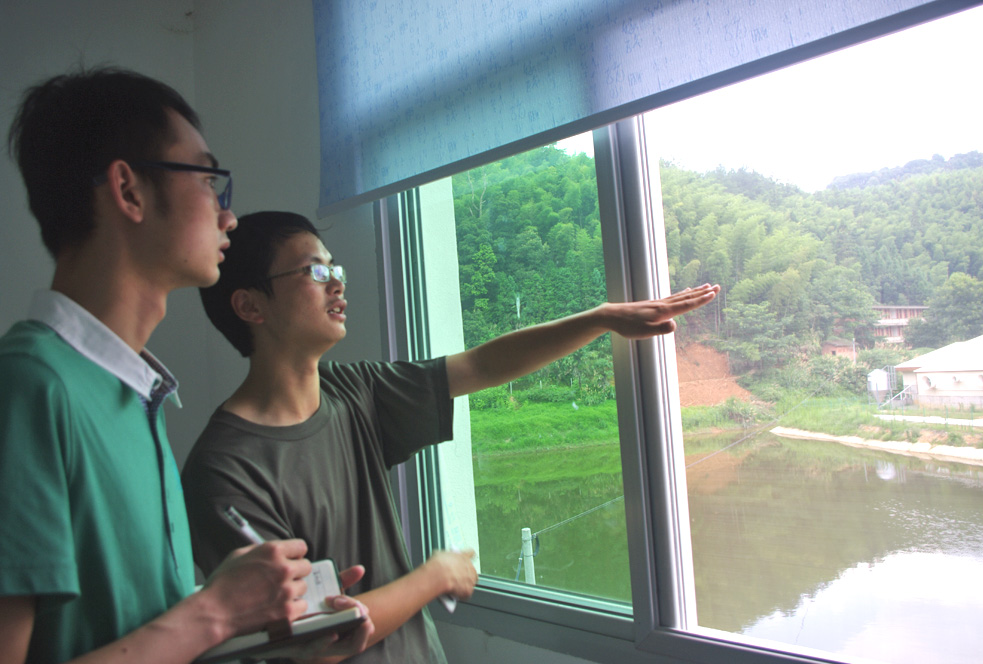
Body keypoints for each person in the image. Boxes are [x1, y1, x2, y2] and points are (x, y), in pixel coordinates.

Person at [182, 210, 720, 663]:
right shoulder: (224, 471)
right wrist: (436, 575)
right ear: (250, 306)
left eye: (334, 268)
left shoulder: (352, 392)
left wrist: (602, 319)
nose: (337, 283)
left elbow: (480, 365)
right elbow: (316, 640)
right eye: (313, 271)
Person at [0, 68, 373, 664]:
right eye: (208, 181)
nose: (229, 217)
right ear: (129, 191)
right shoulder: (28, 388)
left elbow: (137, 632)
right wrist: (216, 611)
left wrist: (257, 625)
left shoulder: (135, 395)